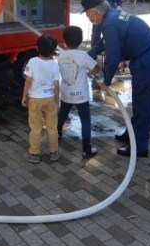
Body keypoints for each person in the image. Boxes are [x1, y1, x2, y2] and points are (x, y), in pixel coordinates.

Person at [81, 0, 150, 157]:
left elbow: (112, 58)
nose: (89, 19)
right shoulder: (112, 16)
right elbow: (104, 42)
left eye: (87, 16)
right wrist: (88, 54)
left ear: (94, 13)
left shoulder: (110, 24)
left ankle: (140, 146)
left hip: (148, 61)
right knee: (139, 102)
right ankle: (132, 135)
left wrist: (106, 81)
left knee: (144, 104)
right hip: (149, 56)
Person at [57, 26, 100, 159]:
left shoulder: (61, 55)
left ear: (64, 40)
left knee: (62, 114)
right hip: (81, 96)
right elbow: (97, 68)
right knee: (85, 120)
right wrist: (88, 72)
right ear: (80, 41)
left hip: (65, 93)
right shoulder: (83, 56)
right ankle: (86, 149)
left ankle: (57, 134)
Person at [21, 35, 61, 163]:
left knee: (35, 128)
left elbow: (28, 80)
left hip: (35, 100)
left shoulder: (32, 62)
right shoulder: (55, 65)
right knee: (52, 127)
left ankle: (34, 154)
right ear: (54, 50)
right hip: (49, 99)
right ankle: (54, 152)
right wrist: (57, 100)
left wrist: (24, 96)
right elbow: (56, 85)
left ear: (37, 47)